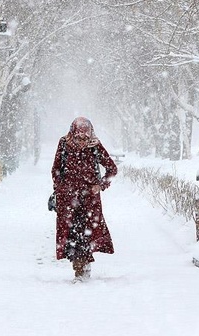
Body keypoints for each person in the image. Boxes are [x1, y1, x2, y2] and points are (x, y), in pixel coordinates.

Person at [51, 117, 118, 282]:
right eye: (79, 136)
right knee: (72, 235)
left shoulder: (95, 146)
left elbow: (112, 169)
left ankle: (82, 269)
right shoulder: (64, 144)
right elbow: (56, 169)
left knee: (85, 234)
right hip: (68, 200)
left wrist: (100, 185)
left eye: (85, 137)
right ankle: (79, 268)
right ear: (73, 132)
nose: (82, 140)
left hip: (90, 201)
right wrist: (61, 188)